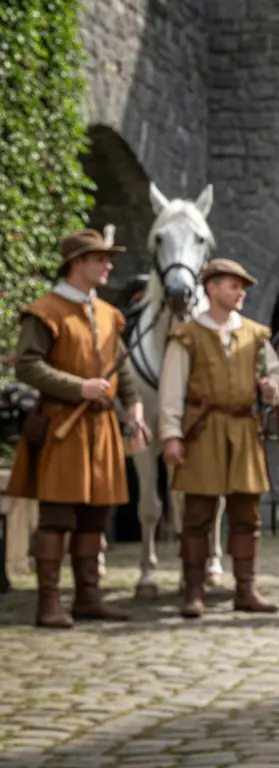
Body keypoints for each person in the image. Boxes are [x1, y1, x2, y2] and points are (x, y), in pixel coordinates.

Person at [6, 226, 149, 628]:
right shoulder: (45, 312)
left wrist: (133, 407)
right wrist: (79, 386)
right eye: (101, 258)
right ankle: (48, 602)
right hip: (60, 428)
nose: (109, 265)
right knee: (56, 517)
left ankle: (88, 597)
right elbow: (29, 365)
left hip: (101, 430)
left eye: (108, 259)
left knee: (95, 517)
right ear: (77, 264)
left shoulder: (107, 314)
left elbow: (123, 366)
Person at [158, 258, 279, 618]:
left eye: (243, 287)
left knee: (247, 515)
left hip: (244, 431)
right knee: (198, 515)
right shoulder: (188, 335)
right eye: (234, 286)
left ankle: (246, 590)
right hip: (203, 431)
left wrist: (272, 387)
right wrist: (171, 434)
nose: (241, 292)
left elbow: (276, 377)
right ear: (212, 288)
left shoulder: (256, 335)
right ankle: (193, 592)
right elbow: (172, 388)